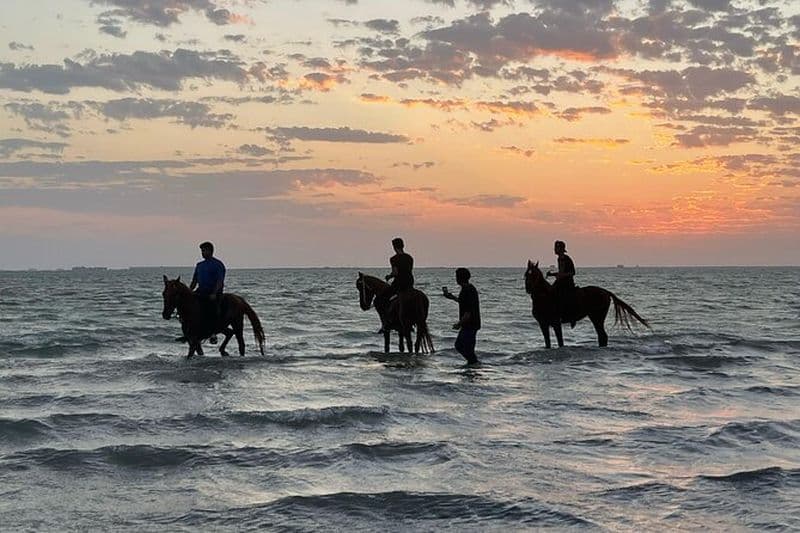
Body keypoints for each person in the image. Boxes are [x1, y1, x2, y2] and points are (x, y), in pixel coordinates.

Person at [442, 267, 481, 365]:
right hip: (473, 324)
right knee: (467, 348)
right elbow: (464, 303)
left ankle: (474, 363)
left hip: (469, 324)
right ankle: (473, 366)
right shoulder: (470, 288)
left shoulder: (466, 291)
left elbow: (468, 312)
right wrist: (452, 297)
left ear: (458, 278)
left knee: (459, 345)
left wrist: (459, 324)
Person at [375, 237, 414, 332]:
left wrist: (389, 276)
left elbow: (395, 273)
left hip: (399, 283)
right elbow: (409, 270)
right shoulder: (409, 257)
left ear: (394, 247)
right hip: (410, 282)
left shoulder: (394, 259)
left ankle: (386, 324)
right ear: (403, 245)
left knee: (379, 300)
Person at [189, 241, 226, 342]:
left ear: (210, 251)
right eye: (201, 251)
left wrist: (214, 293)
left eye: (204, 251)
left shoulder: (218, 265)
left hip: (213, 293)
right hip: (201, 291)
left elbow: (220, 281)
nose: (202, 253)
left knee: (212, 309)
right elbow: (194, 280)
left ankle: (213, 333)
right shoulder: (199, 265)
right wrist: (189, 291)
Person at [546, 240, 576, 327]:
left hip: (567, 282)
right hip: (561, 281)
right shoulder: (559, 258)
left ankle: (570, 315)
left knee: (561, 295)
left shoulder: (566, 258)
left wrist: (562, 275)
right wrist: (552, 274)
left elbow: (573, 272)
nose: (555, 249)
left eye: (557, 247)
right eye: (555, 247)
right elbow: (561, 272)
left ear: (561, 249)